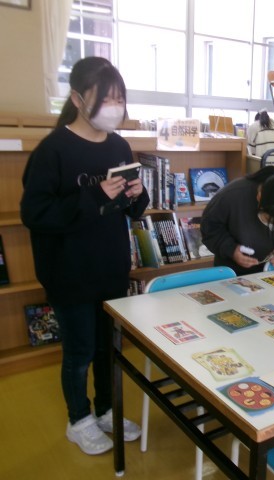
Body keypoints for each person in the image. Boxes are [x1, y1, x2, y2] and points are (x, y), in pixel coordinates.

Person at [20, 57, 149, 455]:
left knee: (107, 348)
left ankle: (107, 410)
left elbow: (131, 210)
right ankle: (79, 419)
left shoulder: (119, 145)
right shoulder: (53, 150)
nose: (115, 107)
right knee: (79, 351)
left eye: (119, 99)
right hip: (69, 271)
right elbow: (35, 214)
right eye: (105, 99)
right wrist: (93, 195)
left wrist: (137, 195)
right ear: (77, 99)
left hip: (110, 267)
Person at [200, 166, 274, 275]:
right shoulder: (232, 195)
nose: (273, 227)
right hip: (231, 273)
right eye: (268, 220)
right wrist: (231, 250)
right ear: (259, 197)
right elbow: (209, 228)